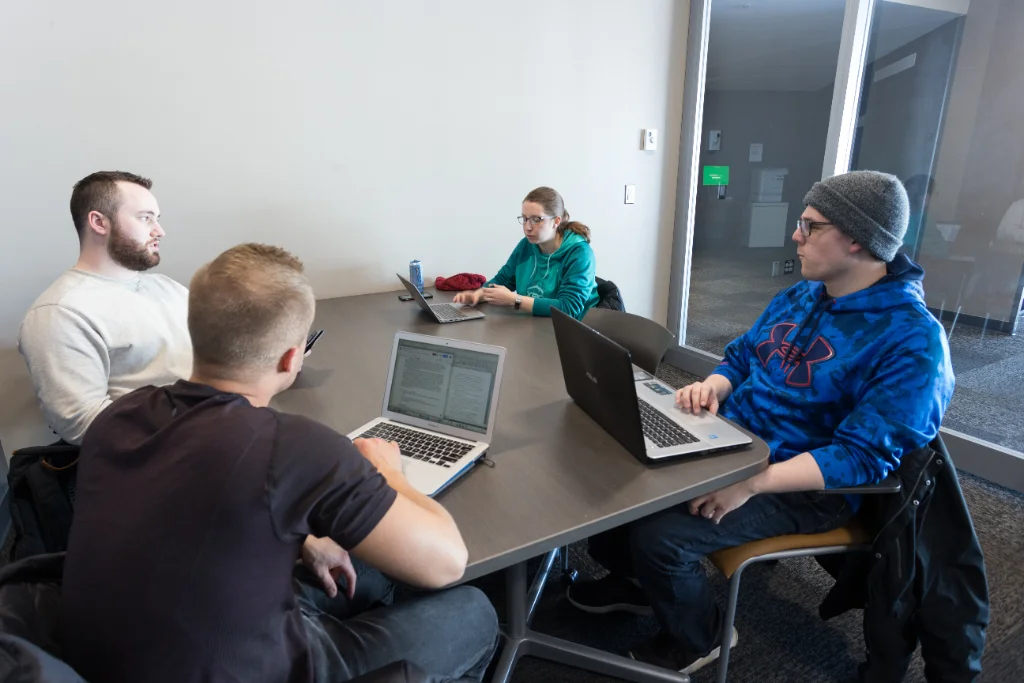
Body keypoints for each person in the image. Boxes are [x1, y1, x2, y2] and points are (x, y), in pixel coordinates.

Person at [566, 171, 954, 674]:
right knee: (620, 475)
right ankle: (639, 583)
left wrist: (753, 483)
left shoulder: (913, 340)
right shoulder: (804, 295)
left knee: (661, 536)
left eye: (810, 226)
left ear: (858, 238)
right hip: (733, 441)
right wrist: (718, 385)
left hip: (807, 484)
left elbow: (863, 457)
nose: (796, 235)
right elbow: (745, 355)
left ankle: (700, 637)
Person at [60, 244, 498, 683]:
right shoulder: (293, 446)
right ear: (293, 358)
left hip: (126, 656)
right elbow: (447, 562)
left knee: (368, 570)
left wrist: (304, 536)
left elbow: (186, 498)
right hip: (257, 669)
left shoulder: (118, 416)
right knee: (475, 612)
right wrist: (388, 472)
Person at [18, 171, 191, 445]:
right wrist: (200, 421)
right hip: (159, 460)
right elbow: (82, 424)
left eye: (157, 219)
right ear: (99, 222)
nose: (159, 231)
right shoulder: (61, 311)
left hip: (221, 434)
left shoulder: (169, 288)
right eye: (146, 218)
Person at [454, 186, 599, 319]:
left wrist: (515, 300)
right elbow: (503, 280)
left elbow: (568, 308)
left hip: (573, 331)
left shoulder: (580, 253)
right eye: (524, 219)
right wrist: (478, 295)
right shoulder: (527, 245)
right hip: (537, 326)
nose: (527, 227)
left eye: (536, 220)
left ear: (556, 221)